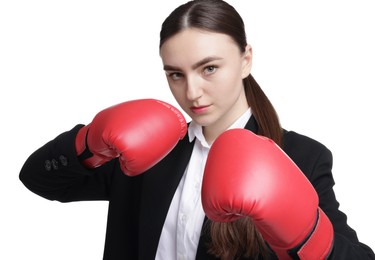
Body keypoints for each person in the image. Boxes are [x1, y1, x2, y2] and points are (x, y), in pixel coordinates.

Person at [19, 0, 375, 259]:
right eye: (176, 74)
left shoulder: (301, 156)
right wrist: (88, 140)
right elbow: (40, 179)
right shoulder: (148, 149)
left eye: (208, 69)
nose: (191, 93)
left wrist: (306, 235)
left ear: (245, 59)